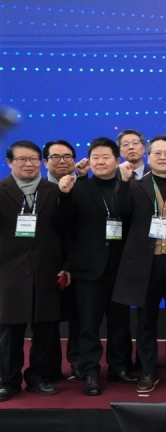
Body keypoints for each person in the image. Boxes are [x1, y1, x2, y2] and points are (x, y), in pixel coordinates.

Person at [112, 136, 166, 393]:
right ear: (148, 157)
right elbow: (119, 211)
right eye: (157, 153)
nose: (162, 157)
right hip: (144, 264)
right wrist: (123, 181)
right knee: (146, 321)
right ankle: (148, 371)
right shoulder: (135, 185)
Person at [60, 137, 137, 396]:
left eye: (106, 157)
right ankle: (90, 372)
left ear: (118, 160)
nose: (100, 162)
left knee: (120, 323)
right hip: (88, 269)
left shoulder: (129, 186)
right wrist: (64, 195)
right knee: (88, 325)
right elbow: (65, 225)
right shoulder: (79, 187)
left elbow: (127, 213)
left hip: (122, 267)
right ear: (89, 161)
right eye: (95, 157)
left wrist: (124, 182)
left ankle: (119, 367)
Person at [0, 141, 69, 402]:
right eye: (22, 159)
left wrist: (66, 266)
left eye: (34, 159)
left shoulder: (55, 191)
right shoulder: (1, 190)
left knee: (45, 329)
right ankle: (9, 381)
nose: (29, 164)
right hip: (8, 272)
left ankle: (39, 377)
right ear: (9, 162)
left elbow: (67, 233)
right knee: (9, 332)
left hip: (46, 270)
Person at [43, 140, 82, 381]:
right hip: (45, 264)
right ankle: (49, 369)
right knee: (47, 320)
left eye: (67, 157)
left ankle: (78, 363)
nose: (62, 161)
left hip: (81, 263)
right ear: (45, 162)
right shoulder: (38, 190)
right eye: (55, 157)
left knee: (79, 317)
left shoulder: (84, 187)